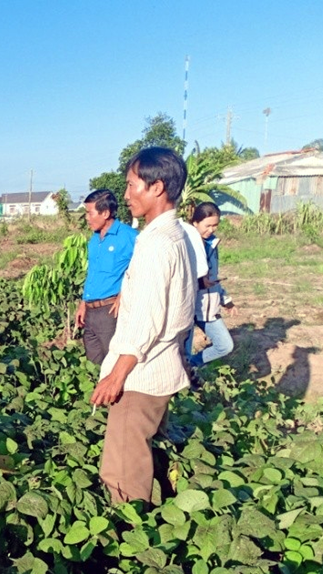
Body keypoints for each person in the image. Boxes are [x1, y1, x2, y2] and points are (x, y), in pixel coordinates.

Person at [90, 147, 196, 504]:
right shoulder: (176, 235)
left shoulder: (156, 245)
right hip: (161, 368)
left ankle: (132, 547)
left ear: (157, 187)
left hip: (141, 376)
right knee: (145, 455)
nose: (125, 194)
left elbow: (146, 322)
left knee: (121, 473)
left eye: (131, 184)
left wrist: (116, 376)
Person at [74, 189, 139, 365]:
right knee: (93, 365)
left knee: (113, 364)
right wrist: (83, 303)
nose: (87, 218)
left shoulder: (130, 237)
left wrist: (124, 295)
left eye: (89, 213)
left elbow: (143, 270)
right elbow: (92, 273)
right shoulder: (94, 239)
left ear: (105, 213)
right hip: (90, 312)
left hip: (110, 312)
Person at [185, 202, 235, 370]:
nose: (212, 229)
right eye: (208, 225)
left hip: (209, 307)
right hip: (188, 307)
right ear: (195, 223)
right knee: (183, 351)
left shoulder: (212, 244)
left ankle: (193, 364)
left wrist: (225, 299)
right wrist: (199, 282)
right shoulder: (185, 244)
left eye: (215, 225)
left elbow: (214, 276)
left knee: (225, 345)